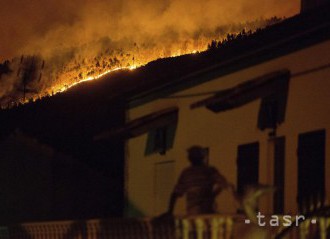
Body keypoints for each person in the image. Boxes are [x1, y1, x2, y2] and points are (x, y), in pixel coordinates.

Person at [165, 145, 234, 216]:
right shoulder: (209, 170)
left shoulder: (187, 173)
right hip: (207, 210)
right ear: (202, 157)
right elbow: (224, 184)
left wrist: (169, 211)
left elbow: (175, 194)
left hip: (193, 211)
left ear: (189, 158)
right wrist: (213, 195)